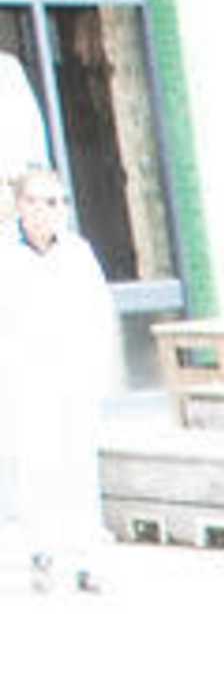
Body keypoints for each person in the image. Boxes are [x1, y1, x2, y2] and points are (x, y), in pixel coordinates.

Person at [0, 162, 121, 591]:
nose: (48, 211)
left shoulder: (78, 254)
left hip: (74, 380)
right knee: (35, 468)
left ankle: (88, 560)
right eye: (38, 202)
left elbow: (98, 316)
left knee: (79, 469)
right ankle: (42, 554)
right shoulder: (6, 259)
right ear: (20, 206)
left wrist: (96, 372)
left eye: (56, 202)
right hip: (24, 382)